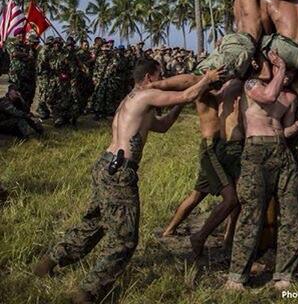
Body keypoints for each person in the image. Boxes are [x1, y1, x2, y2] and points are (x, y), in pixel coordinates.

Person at [33, 60, 223, 304]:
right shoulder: (145, 96)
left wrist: (180, 106)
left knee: (94, 224)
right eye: (159, 76)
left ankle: (49, 262)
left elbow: (162, 126)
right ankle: (88, 293)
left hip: (107, 166)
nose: (162, 80)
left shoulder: (134, 100)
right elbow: (187, 94)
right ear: (148, 77)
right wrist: (207, 78)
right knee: (125, 240)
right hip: (120, 172)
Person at [226, 52, 298, 290]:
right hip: (255, 152)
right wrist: (280, 66)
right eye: (282, 70)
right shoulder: (252, 85)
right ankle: (236, 277)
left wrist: (296, 127)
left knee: (292, 213)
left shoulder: (291, 97)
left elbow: (282, 130)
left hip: (281, 152)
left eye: (290, 72)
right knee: (252, 213)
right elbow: (268, 95)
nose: (286, 75)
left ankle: (284, 275)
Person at [162, 77, 244, 257]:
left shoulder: (220, 91)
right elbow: (191, 85)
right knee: (229, 198)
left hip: (222, 146)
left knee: (198, 193)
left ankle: (171, 230)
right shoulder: (205, 92)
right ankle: (194, 235)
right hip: (210, 148)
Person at [195, 0, 297, 80]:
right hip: (243, 42)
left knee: (200, 74)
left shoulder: (236, 2)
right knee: (204, 77)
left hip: (232, 40)